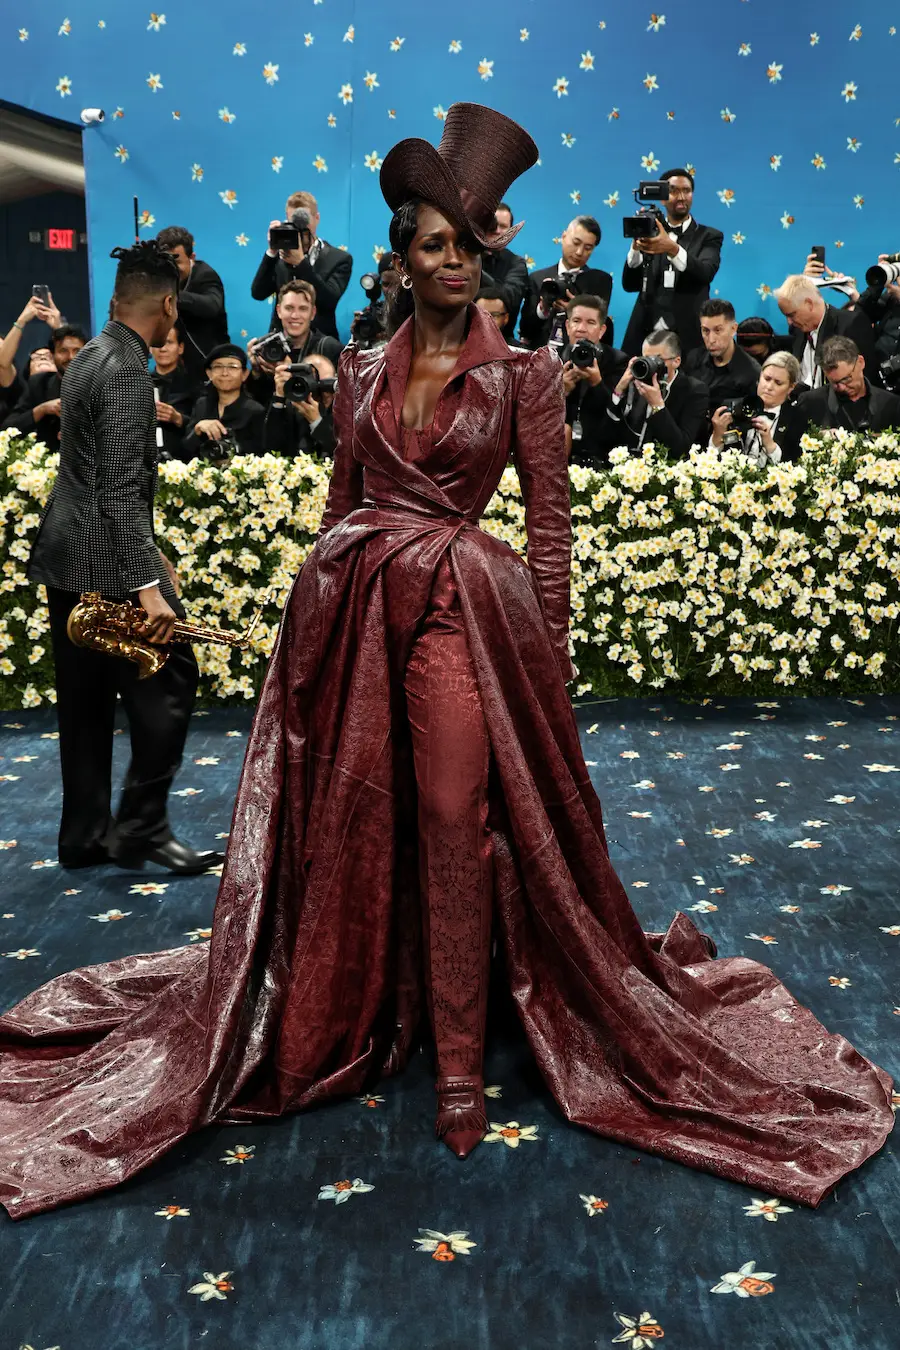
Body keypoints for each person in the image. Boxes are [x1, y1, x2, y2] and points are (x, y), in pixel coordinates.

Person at [0, 104, 892, 1224]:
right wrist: (312, 616)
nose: (457, 265)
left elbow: (552, 526)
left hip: (463, 616)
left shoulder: (522, 373)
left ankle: (461, 1057)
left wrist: (551, 664)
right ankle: (370, 1002)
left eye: (472, 248)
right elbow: (340, 508)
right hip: (358, 610)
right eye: (436, 246)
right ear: (403, 257)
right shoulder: (363, 365)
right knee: (350, 816)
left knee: (455, 803)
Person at [24, 239, 224, 879]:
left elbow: (90, 472)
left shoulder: (86, 359)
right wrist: (147, 583)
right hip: (105, 559)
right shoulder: (128, 373)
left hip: (66, 551)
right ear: (169, 304)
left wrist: (149, 548)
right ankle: (141, 828)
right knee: (171, 674)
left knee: (83, 698)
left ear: (117, 299)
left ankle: (85, 835)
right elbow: (116, 486)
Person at [621, 168, 723, 356]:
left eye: (687, 190)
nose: (681, 196)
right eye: (674, 191)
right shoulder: (650, 230)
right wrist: (636, 246)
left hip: (687, 334)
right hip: (645, 329)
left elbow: (705, 272)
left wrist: (672, 248)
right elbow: (629, 284)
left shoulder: (709, 236)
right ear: (662, 197)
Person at [251, 190, 351, 340]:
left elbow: (329, 301)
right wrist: (272, 251)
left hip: (321, 342)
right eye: (294, 220)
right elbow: (258, 293)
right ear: (287, 219)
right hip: (282, 341)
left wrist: (300, 263)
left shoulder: (339, 258)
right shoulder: (280, 255)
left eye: (304, 220)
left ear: (317, 218)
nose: (300, 226)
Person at [603, 329, 709, 459]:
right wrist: (620, 387)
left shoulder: (694, 391)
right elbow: (605, 434)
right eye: (646, 359)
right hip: (629, 469)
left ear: (676, 361)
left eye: (657, 360)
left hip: (667, 472)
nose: (651, 366)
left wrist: (657, 405)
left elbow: (680, 449)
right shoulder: (637, 384)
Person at [519, 215, 613, 349]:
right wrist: (543, 308)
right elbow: (526, 330)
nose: (579, 252)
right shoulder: (538, 278)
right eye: (576, 243)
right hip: (538, 355)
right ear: (563, 237)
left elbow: (603, 330)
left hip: (578, 358)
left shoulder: (600, 281)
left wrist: (577, 308)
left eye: (588, 248)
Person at [247, 279, 342, 405]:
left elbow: (339, 403)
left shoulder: (329, 348)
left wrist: (290, 374)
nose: (295, 315)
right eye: (289, 308)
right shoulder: (267, 348)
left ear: (312, 313)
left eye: (303, 309)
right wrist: (256, 374)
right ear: (279, 311)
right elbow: (256, 404)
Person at [774, 274, 876, 391]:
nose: (789, 322)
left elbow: (865, 381)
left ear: (809, 304)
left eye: (792, 315)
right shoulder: (798, 330)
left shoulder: (851, 325)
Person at [559, 295, 629, 464]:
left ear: (602, 330)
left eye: (590, 322)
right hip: (559, 453)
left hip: (600, 454)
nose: (581, 328)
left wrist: (597, 383)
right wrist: (560, 391)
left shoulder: (618, 361)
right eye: (576, 321)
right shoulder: (552, 358)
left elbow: (616, 417)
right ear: (568, 327)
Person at [156, 226, 230, 383]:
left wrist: (175, 297)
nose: (172, 270)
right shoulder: (159, 279)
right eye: (166, 262)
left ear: (192, 257)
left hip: (210, 366)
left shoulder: (206, 275)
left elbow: (212, 306)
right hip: (178, 371)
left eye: (176, 261)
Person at [791, 336, 900, 439]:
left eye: (846, 379)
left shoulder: (892, 404)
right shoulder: (810, 403)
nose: (842, 387)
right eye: (834, 382)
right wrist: (817, 437)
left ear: (860, 363)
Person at [710, 350, 804, 464]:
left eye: (778, 383)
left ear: (791, 387)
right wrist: (717, 436)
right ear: (759, 377)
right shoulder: (733, 408)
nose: (769, 387)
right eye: (767, 379)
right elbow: (711, 461)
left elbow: (795, 467)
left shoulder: (797, 419)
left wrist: (770, 445)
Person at [1, 323, 87, 447]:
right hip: (48, 460)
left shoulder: (101, 385)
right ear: (52, 356)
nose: (71, 357)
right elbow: (8, 429)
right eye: (63, 351)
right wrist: (42, 410)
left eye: (77, 351)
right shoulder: (38, 384)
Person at [182, 343, 266, 458]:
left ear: (245, 374)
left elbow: (260, 455)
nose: (225, 373)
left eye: (232, 367)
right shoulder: (202, 405)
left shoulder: (255, 410)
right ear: (209, 374)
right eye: (218, 367)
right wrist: (197, 430)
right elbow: (185, 451)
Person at [683, 300, 761, 416]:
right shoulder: (693, 359)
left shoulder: (751, 373)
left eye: (718, 330)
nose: (711, 339)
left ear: (733, 329)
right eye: (705, 331)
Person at [0, 291, 64, 418]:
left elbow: (74, 360)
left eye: (48, 357)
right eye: (37, 358)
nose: (43, 359)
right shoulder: (20, 391)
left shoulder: (70, 384)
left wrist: (58, 327)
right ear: (28, 370)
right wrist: (22, 320)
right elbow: (3, 363)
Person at [264, 351, 336, 457]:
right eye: (315, 383)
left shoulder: (346, 410)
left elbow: (344, 453)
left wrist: (316, 422)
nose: (322, 391)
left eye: (326, 384)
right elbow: (272, 449)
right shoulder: (291, 406)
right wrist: (279, 397)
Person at [149, 326, 197, 461]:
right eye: (157, 344)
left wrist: (178, 418)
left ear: (180, 348)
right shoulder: (139, 383)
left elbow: (204, 421)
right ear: (150, 348)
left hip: (183, 462)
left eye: (169, 342)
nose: (162, 349)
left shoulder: (194, 384)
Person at [480, 201, 529, 333]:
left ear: (510, 232)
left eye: (502, 226)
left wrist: (474, 271)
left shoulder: (517, 263)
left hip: (502, 340)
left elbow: (508, 299)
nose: (496, 230)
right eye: (492, 224)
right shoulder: (465, 255)